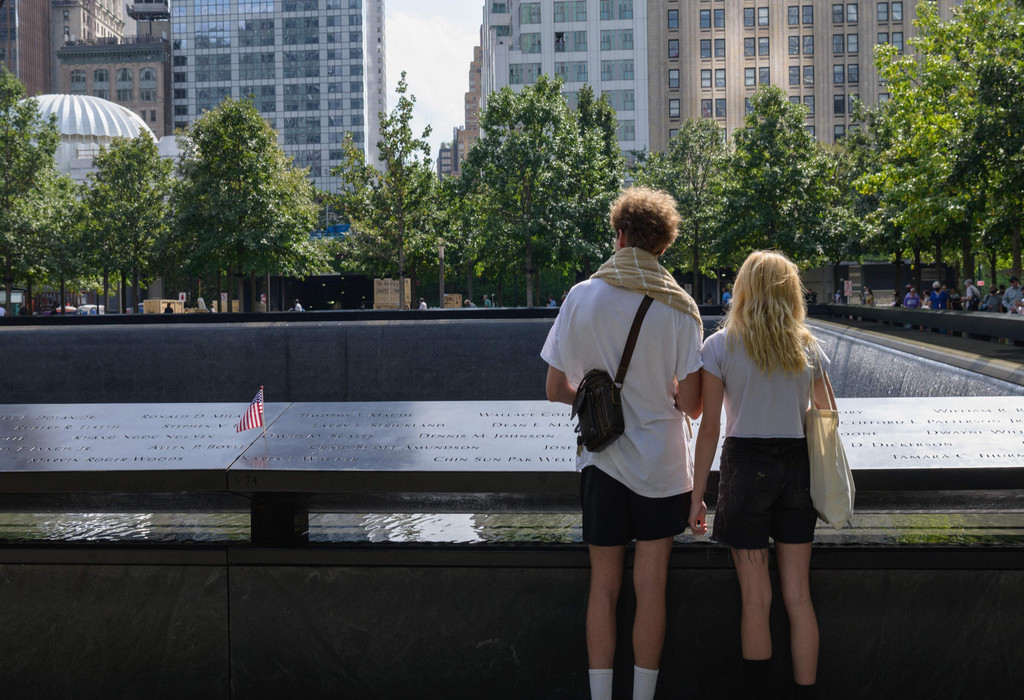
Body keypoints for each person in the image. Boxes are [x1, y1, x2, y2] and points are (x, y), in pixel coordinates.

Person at [541, 187, 703, 700]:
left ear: (620, 235)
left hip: (601, 462)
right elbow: (693, 405)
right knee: (650, 587)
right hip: (661, 468)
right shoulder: (680, 307)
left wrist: (597, 400)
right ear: (662, 246)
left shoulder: (580, 296)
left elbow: (554, 388)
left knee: (604, 586)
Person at [690, 250, 831, 700]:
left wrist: (697, 496)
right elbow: (828, 414)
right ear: (791, 293)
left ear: (743, 289)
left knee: (756, 599)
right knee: (798, 596)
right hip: (797, 468)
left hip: (745, 469)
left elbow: (709, 427)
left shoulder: (719, 346)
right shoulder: (807, 346)